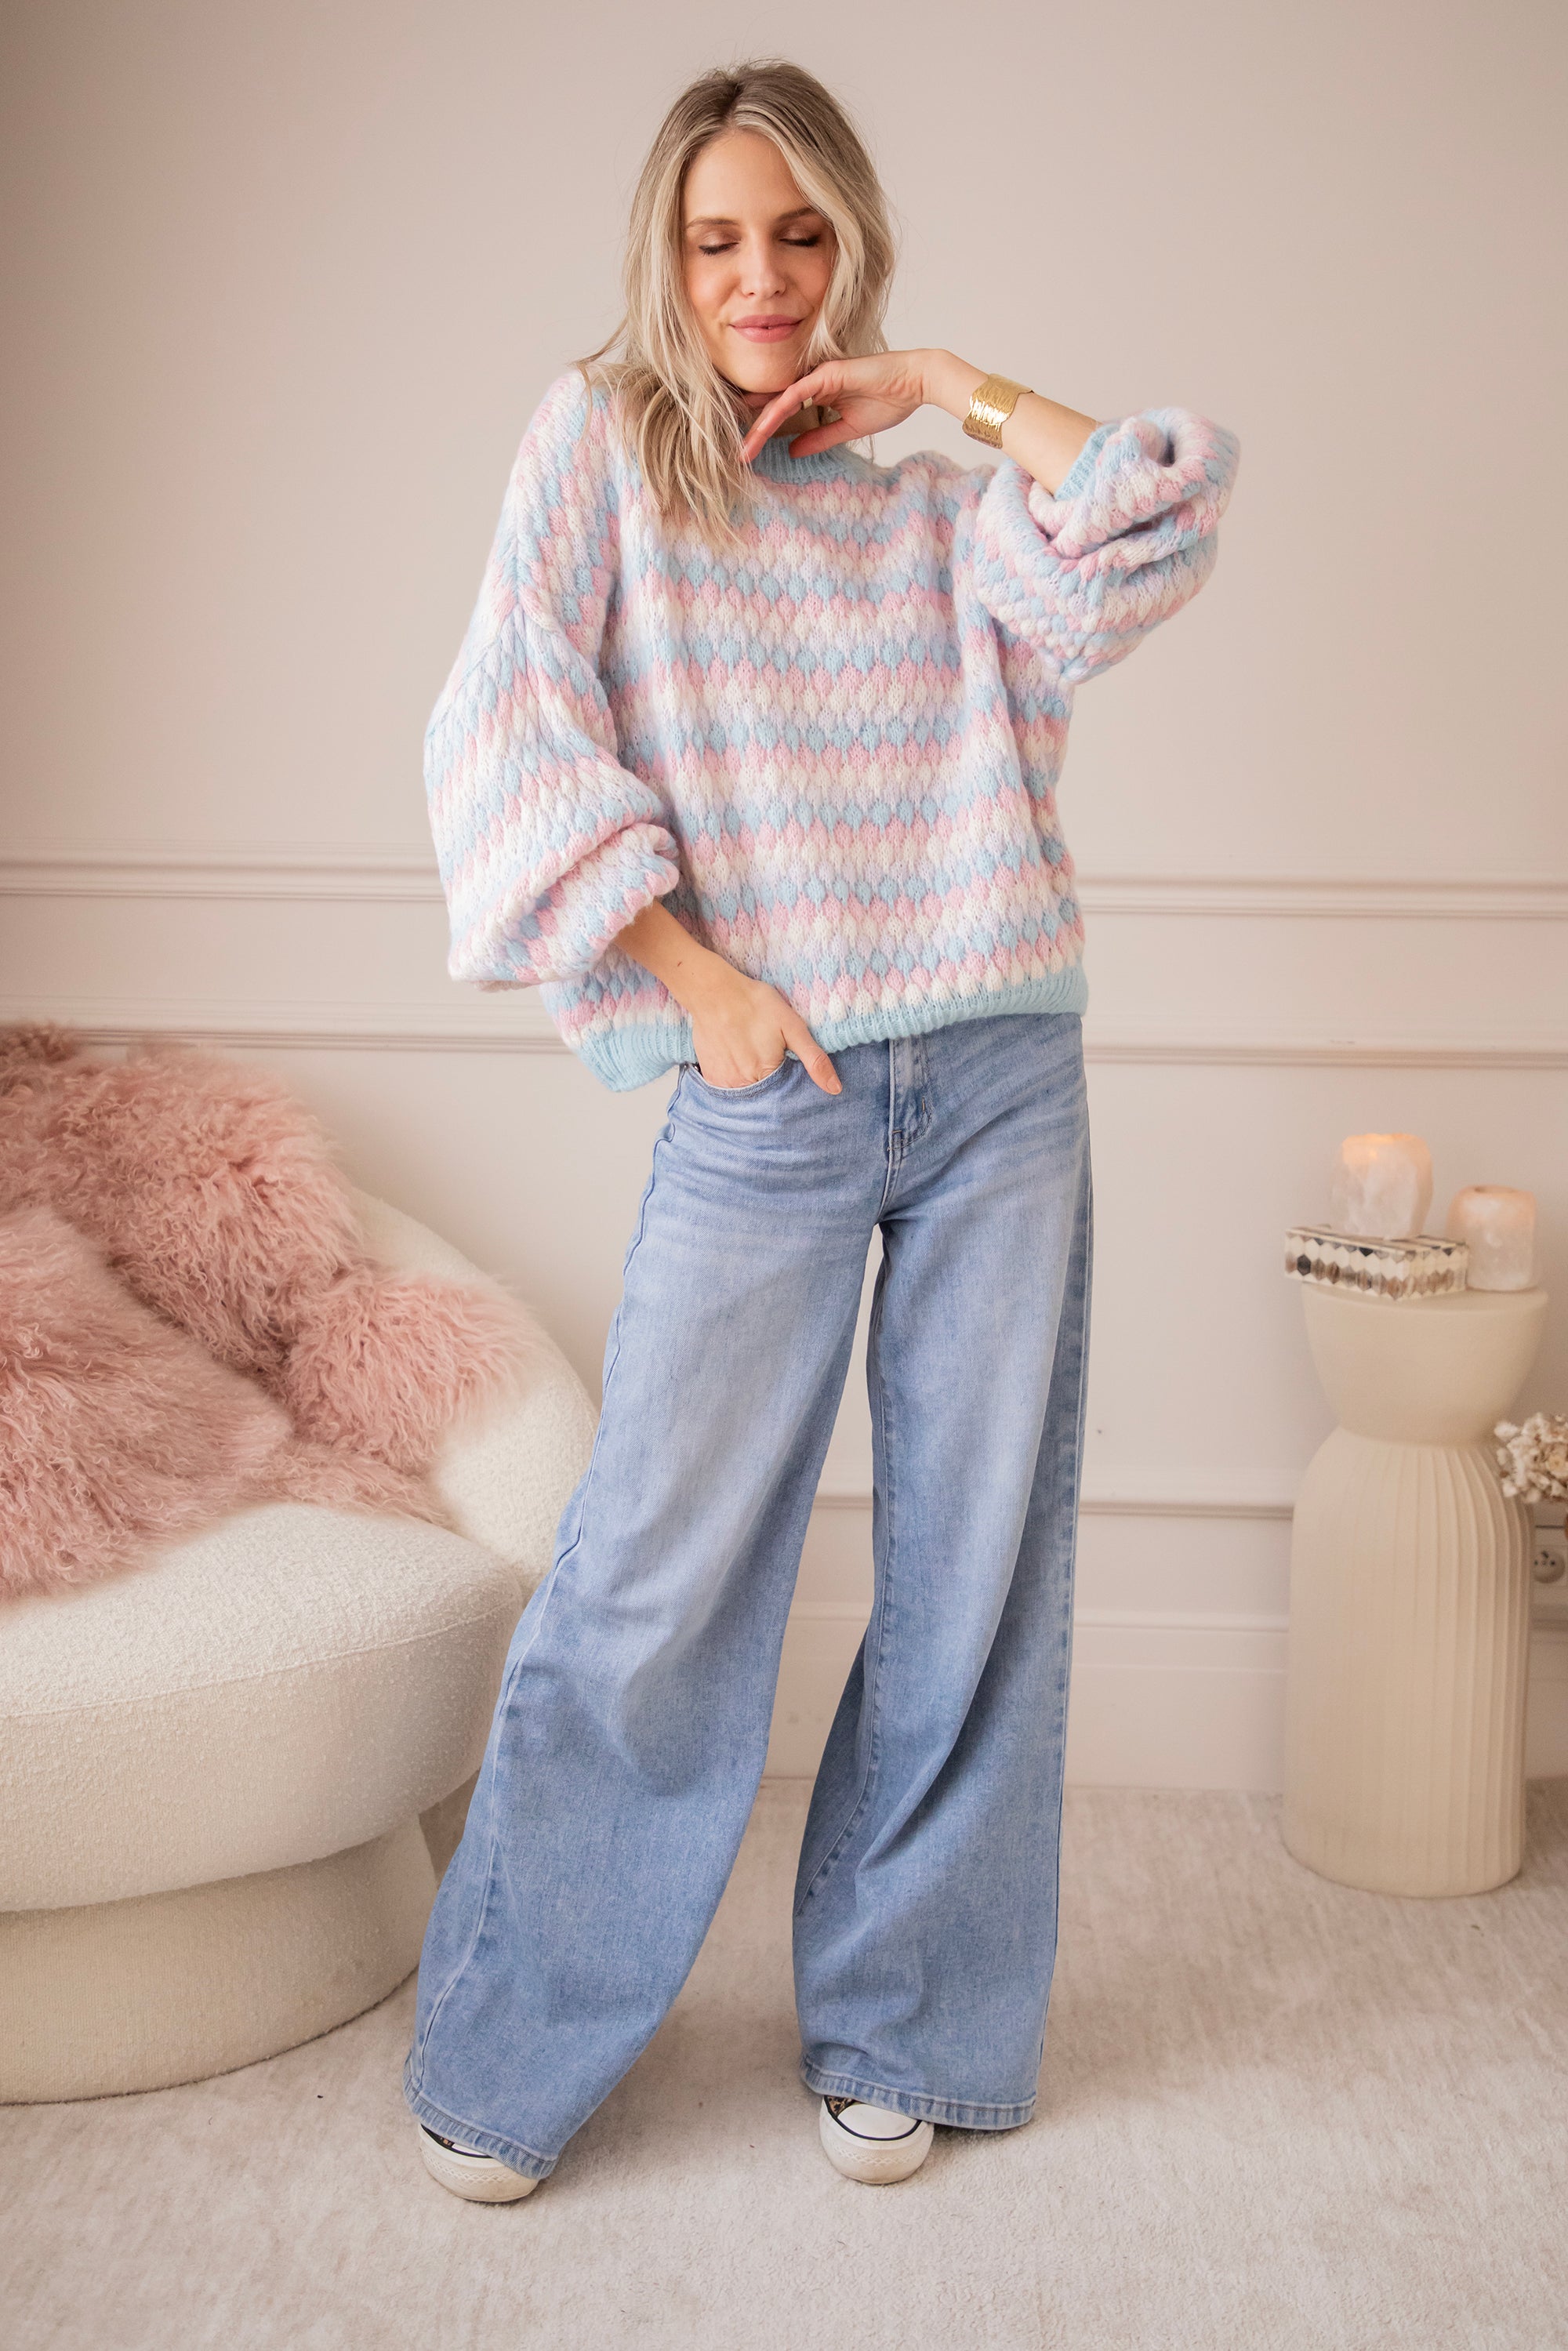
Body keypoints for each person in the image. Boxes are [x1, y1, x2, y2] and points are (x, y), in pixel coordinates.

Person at [405, 56, 1240, 2200]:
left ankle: (909, 2024)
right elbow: (504, 723)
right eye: (716, 240)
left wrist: (951, 384)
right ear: (664, 255)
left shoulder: (935, 494)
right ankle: (510, 2051)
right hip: (768, 1087)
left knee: (978, 1570)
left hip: (1003, 1073)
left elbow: (1152, 512)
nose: (759, 278)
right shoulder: (602, 444)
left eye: (797, 234)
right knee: (657, 1576)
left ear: (851, 238)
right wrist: (697, 984)